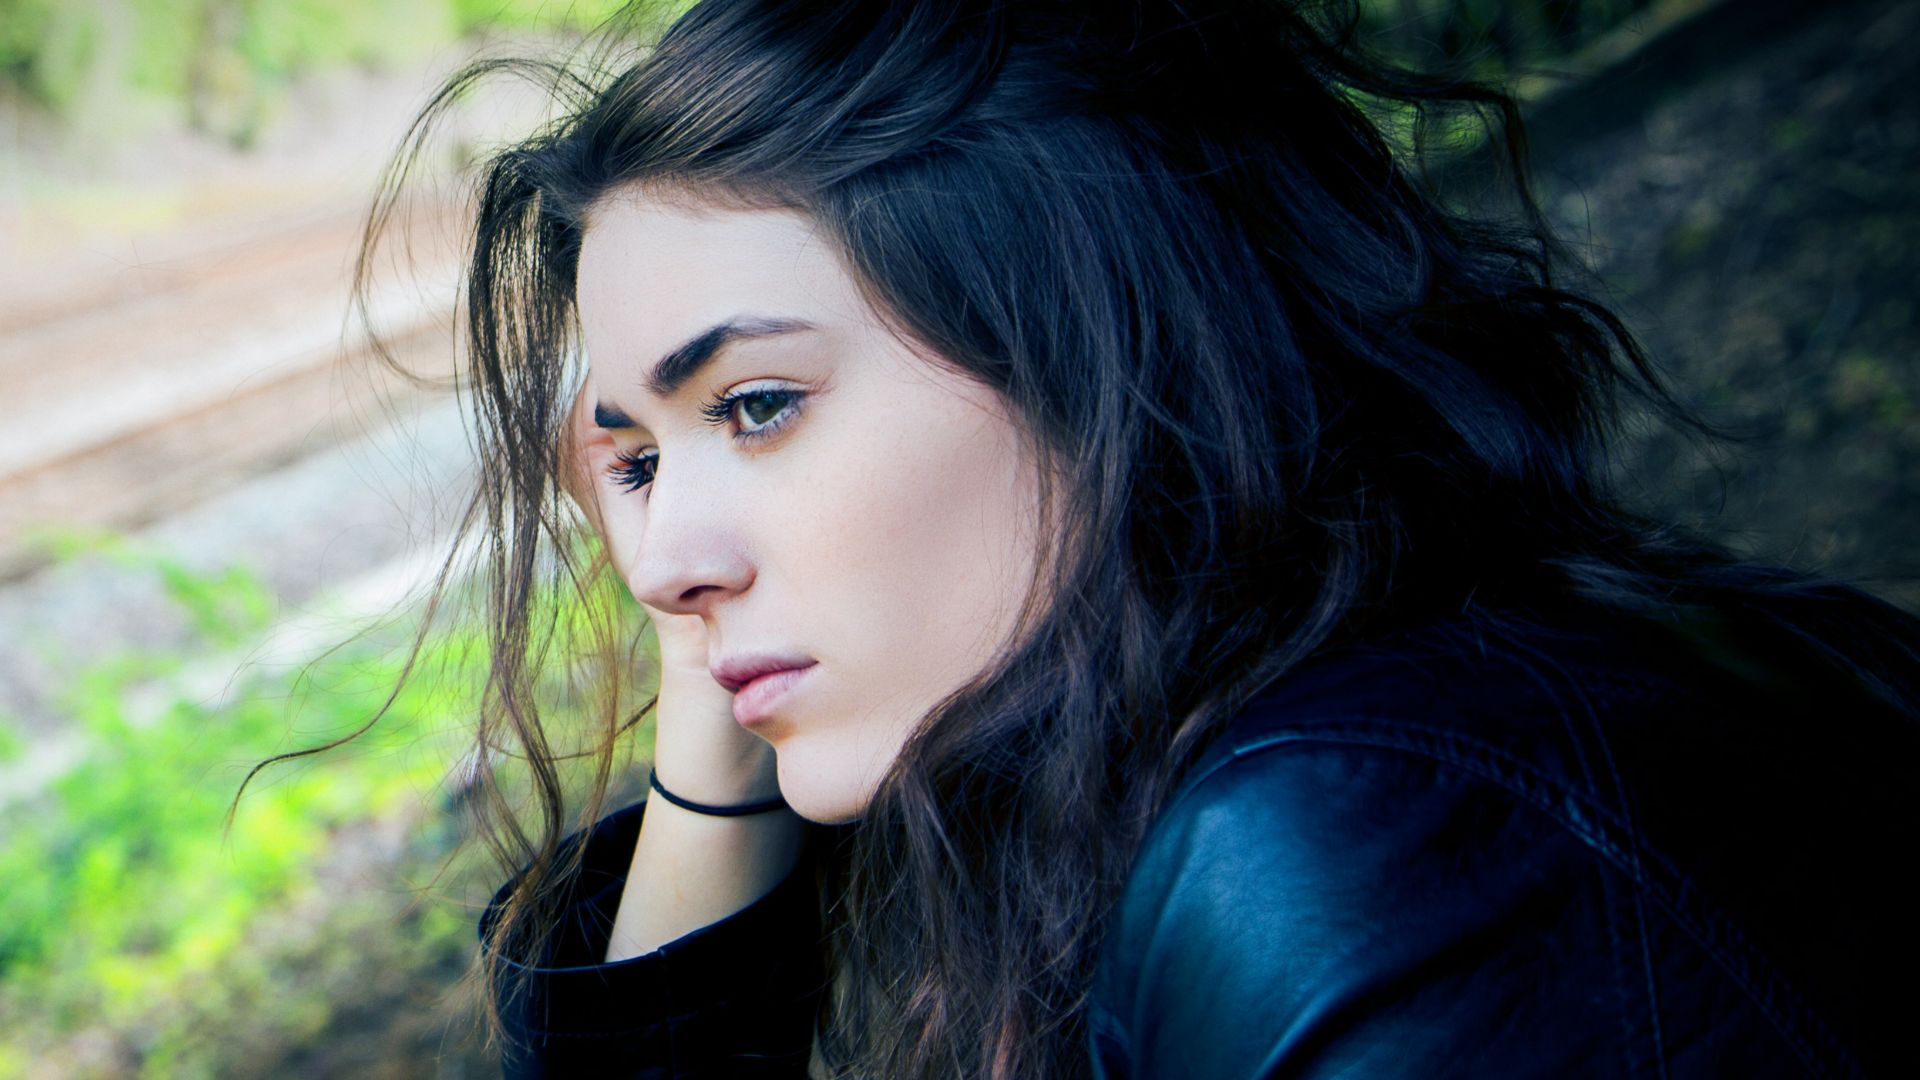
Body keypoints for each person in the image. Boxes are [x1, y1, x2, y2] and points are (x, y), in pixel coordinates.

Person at [338, 0, 1920, 1076]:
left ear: (1100, 347)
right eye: (627, 458)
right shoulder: (1349, 732)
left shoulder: (1362, 849)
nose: (660, 561)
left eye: (754, 405)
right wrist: (716, 718)